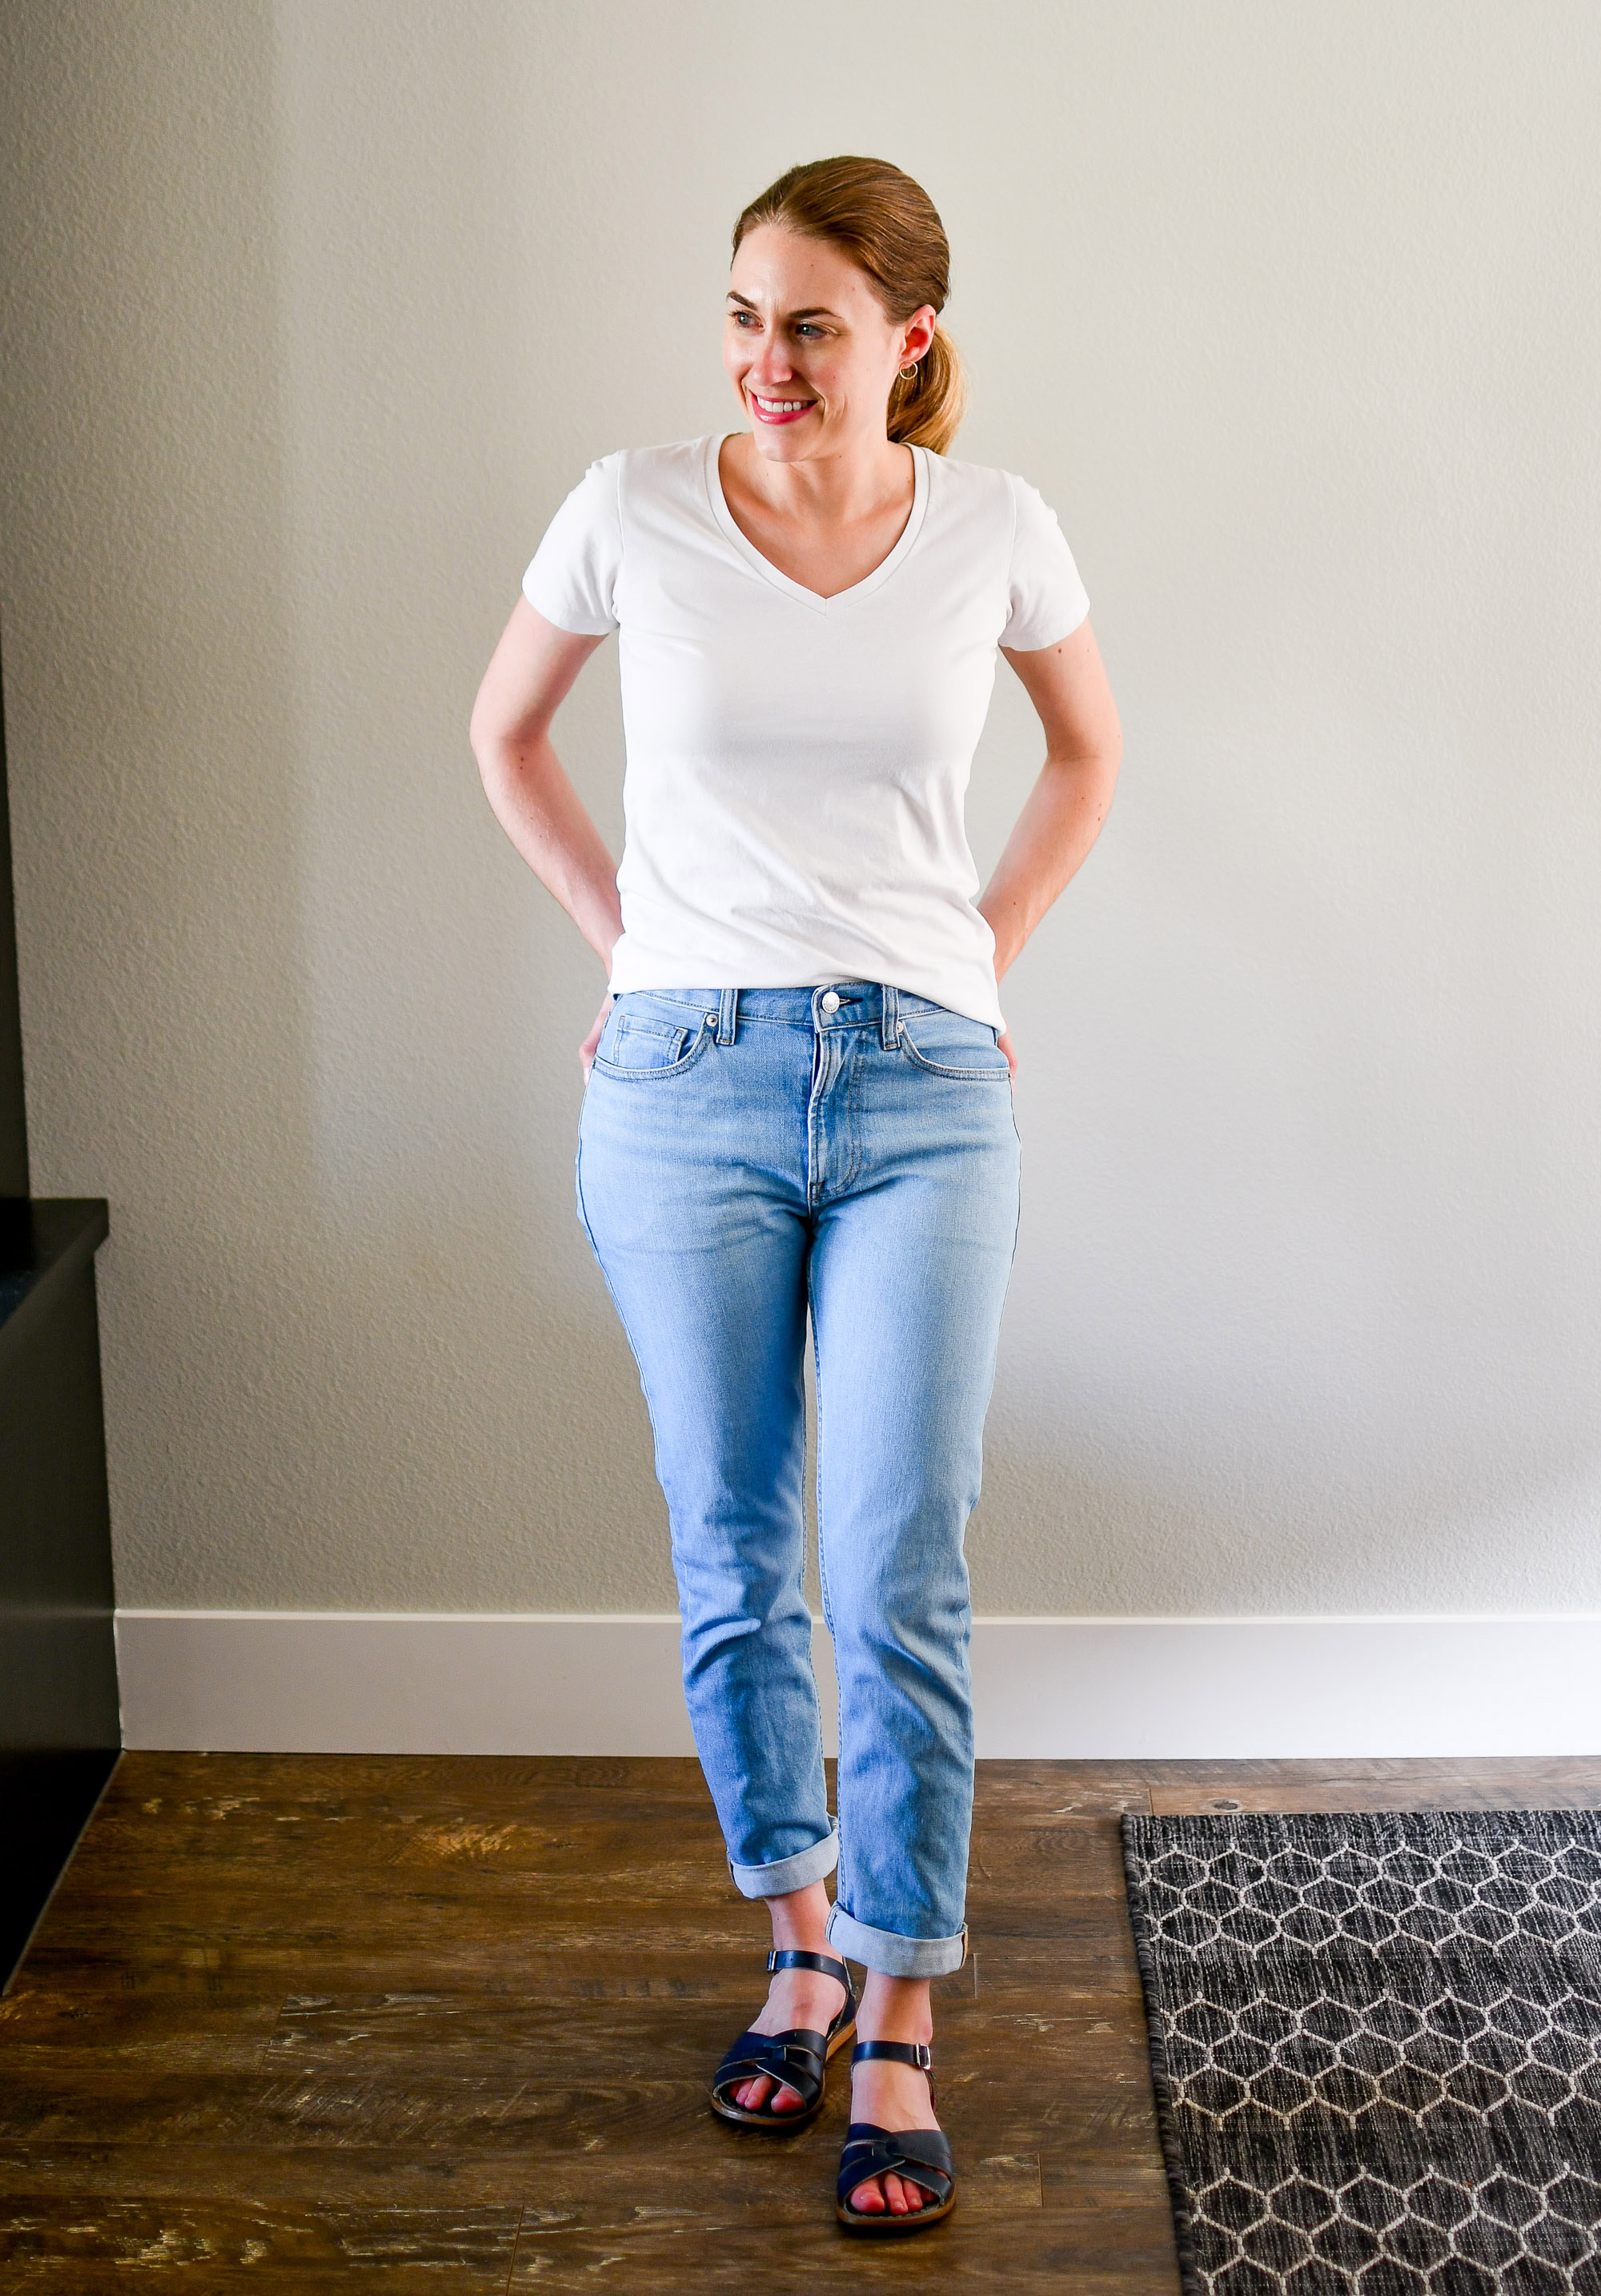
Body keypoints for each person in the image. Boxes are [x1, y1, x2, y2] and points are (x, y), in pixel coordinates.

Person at [470, 155, 1122, 2237]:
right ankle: (802, 1939)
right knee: (736, 1542)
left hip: (928, 1082)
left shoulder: (997, 530)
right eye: (743, 316)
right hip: (681, 1080)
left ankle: (906, 2014)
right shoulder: (627, 506)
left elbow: (1090, 753)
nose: (764, 361)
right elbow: (505, 735)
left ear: (908, 335)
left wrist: (980, 954)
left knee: (897, 1555)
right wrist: (624, 942)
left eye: (811, 324)